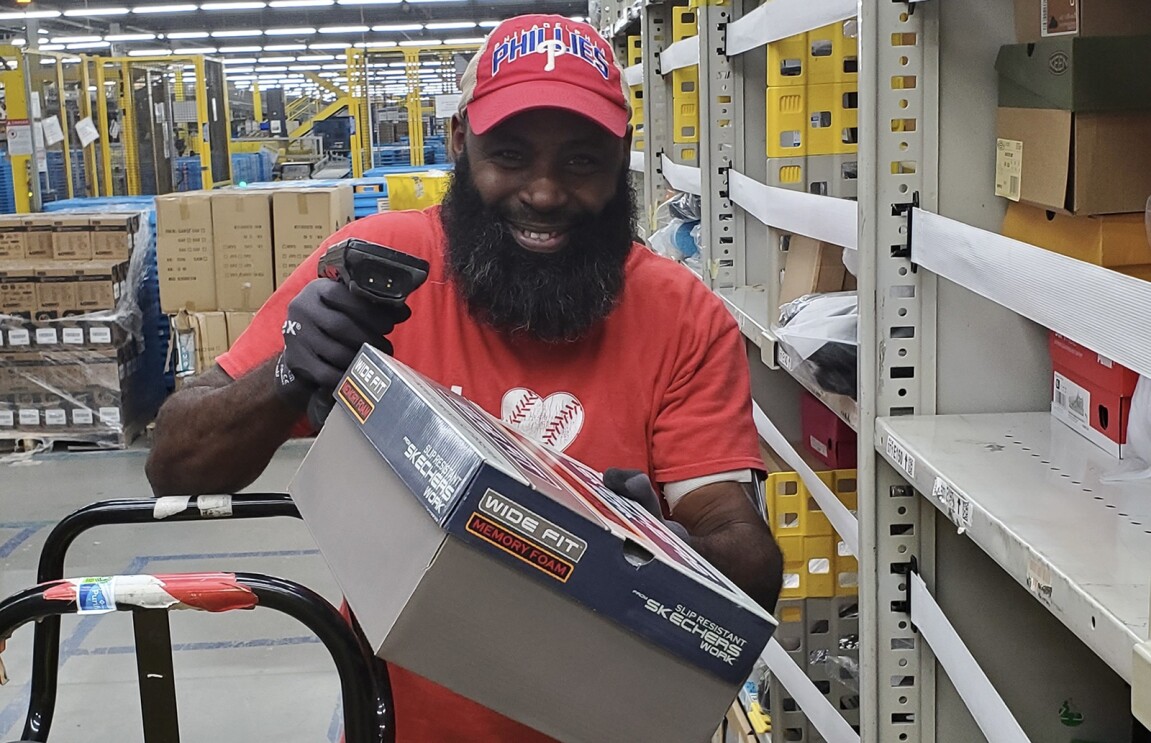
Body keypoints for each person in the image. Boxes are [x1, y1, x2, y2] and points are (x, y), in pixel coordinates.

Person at [146, 14, 782, 742]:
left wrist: (660, 549)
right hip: (402, 722)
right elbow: (174, 461)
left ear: (622, 157)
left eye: (580, 161)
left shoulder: (678, 313)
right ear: (458, 143)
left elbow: (740, 548)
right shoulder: (377, 267)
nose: (543, 193)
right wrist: (288, 372)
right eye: (509, 154)